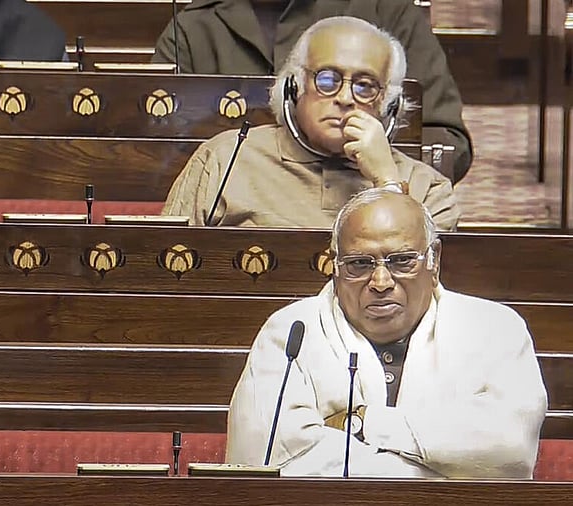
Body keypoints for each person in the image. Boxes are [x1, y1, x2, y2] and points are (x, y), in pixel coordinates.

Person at [225, 188, 547, 478]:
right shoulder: (290, 332)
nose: (380, 282)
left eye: (402, 261)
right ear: (335, 266)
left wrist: (363, 423)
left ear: (434, 260)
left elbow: (510, 452)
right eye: (360, 264)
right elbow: (269, 463)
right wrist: (444, 469)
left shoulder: (494, 328)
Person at [161, 16, 460, 230]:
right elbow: (159, 263)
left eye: (365, 86)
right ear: (295, 86)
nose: (344, 98)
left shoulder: (428, 188)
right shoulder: (224, 160)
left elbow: (421, 287)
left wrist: (387, 182)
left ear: (388, 104)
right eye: (327, 79)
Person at [153, 0, 472, 182]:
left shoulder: (384, 9)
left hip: (363, 206)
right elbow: (150, 154)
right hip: (240, 215)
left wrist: (380, 171)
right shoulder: (193, 30)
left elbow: (446, 143)